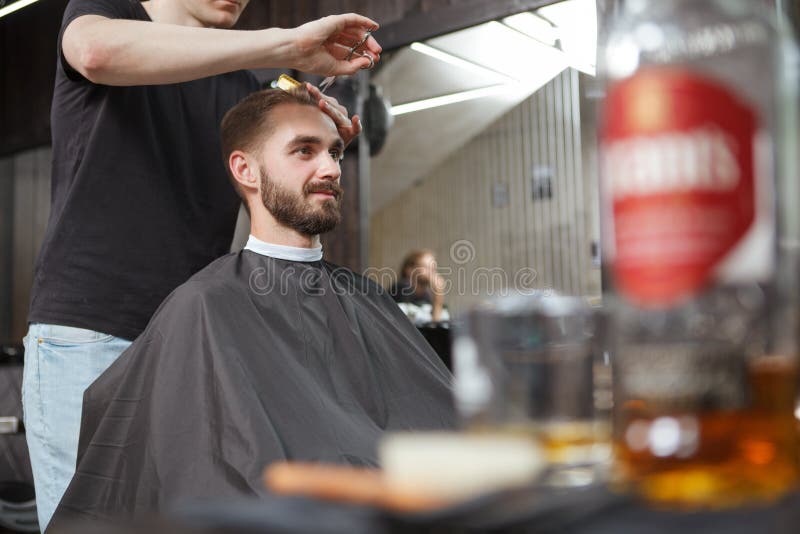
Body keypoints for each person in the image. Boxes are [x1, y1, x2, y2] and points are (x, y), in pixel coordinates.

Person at [23, 0, 382, 529]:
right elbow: (96, 52)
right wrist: (288, 45)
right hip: (92, 331)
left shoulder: (239, 89)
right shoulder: (107, 12)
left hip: (193, 342)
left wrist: (314, 158)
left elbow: (274, 204)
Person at [47, 86, 456, 529]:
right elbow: (205, 474)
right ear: (246, 170)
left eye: (335, 154)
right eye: (304, 151)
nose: (330, 169)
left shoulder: (366, 299)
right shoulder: (205, 306)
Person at [390, 250, 449, 324]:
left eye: (433, 269)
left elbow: (434, 323)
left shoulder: (425, 295)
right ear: (409, 270)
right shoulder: (403, 288)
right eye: (427, 267)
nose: (432, 273)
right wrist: (438, 294)